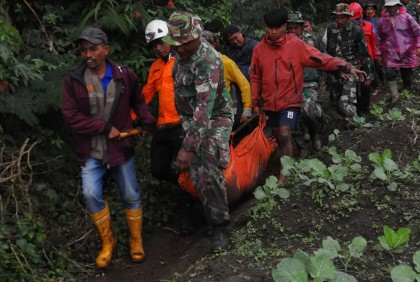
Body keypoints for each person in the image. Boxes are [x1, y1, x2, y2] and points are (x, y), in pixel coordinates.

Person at [62, 27, 156, 268]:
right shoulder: (74, 80)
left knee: (131, 194)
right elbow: (71, 116)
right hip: (91, 149)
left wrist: (145, 118)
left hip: (121, 148)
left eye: (93, 49)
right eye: (84, 50)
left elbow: (137, 99)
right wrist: (103, 127)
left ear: (106, 49)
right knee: (90, 194)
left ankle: (136, 241)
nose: (88, 55)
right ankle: (108, 242)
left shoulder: (124, 75)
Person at [250, 7, 367, 185]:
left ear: (284, 27)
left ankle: (285, 173)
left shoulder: (296, 45)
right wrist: (255, 101)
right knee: (277, 135)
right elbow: (255, 76)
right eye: (269, 28)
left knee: (284, 133)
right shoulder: (259, 49)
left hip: (289, 100)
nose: (272, 32)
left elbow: (321, 58)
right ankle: (289, 161)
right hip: (269, 102)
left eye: (277, 28)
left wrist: (346, 66)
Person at [162, 11, 234, 252]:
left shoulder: (207, 60)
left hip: (214, 117)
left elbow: (205, 109)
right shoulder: (182, 54)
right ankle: (204, 212)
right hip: (190, 119)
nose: (180, 48)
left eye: (185, 43)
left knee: (207, 161)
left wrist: (189, 147)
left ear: (196, 37)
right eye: (176, 43)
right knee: (193, 170)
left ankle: (220, 226)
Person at [142, 19, 195, 236]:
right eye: (153, 45)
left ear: (169, 39)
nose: (157, 47)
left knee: (185, 170)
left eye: (160, 42)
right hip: (163, 126)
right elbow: (145, 94)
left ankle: (189, 216)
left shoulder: (183, 61)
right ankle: (189, 190)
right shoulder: (155, 67)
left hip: (182, 125)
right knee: (158, 169)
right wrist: (132, 116)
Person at [323, 3, 374, 126]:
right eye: (337, 17)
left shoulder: (356, 30)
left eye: (343, 17)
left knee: (347, 99)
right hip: (333, 67)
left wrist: (369, 74)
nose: (340, 20)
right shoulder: (330, 29)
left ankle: (352, 124)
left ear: (348, 17)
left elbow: (364, 53)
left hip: (351, 68)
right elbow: (324, 50)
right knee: (336, 97)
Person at [287, 11, 323, 154]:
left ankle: (314, 135)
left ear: (302, 27)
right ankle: (302, 147)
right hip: (288, 86)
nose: (293, 31)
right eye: (290, 28)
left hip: (308, 82)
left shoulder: (311, 40)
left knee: (308, 112)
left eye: (296, 27)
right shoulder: (281, 42)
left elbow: (324, 59)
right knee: (291, 117)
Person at [200, 30, 252, 125]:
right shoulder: (195, 64)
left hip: (222, 112)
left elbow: (244, 85)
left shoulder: (226, 63)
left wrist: (247, 110)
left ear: (213, 45)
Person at [376, 0, 420, 100]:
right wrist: (378, 53)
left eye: (394, 6)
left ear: (398, 6)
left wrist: (418, 46)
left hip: (407, 51)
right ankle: (394, 96)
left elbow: (417, 32)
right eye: (389, 7)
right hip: (390, 52)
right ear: (386, 7)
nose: (391, 8)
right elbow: (379, 38)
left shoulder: (407, 17)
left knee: (406, 74)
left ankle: (407, 92)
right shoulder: (382, 20)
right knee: (390, 73)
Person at [349, 2, 377, 115]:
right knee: (354, 87)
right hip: (353, 61)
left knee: (365, 86)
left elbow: (373, 43)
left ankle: (364, 110)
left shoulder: (369, 26)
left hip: (366, 60)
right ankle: (355, 111)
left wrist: (375, 57)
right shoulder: (346, 28)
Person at [363, 1, 386, 93]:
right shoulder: (363, 22)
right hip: (368, 47)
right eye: (367, 9)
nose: (369, 11)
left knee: (379, 66)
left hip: (379, 45)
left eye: (371, 9)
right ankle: (376, 85)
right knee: (372, 66)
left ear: (375, 10)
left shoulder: (379, 21)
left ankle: (383, 81)